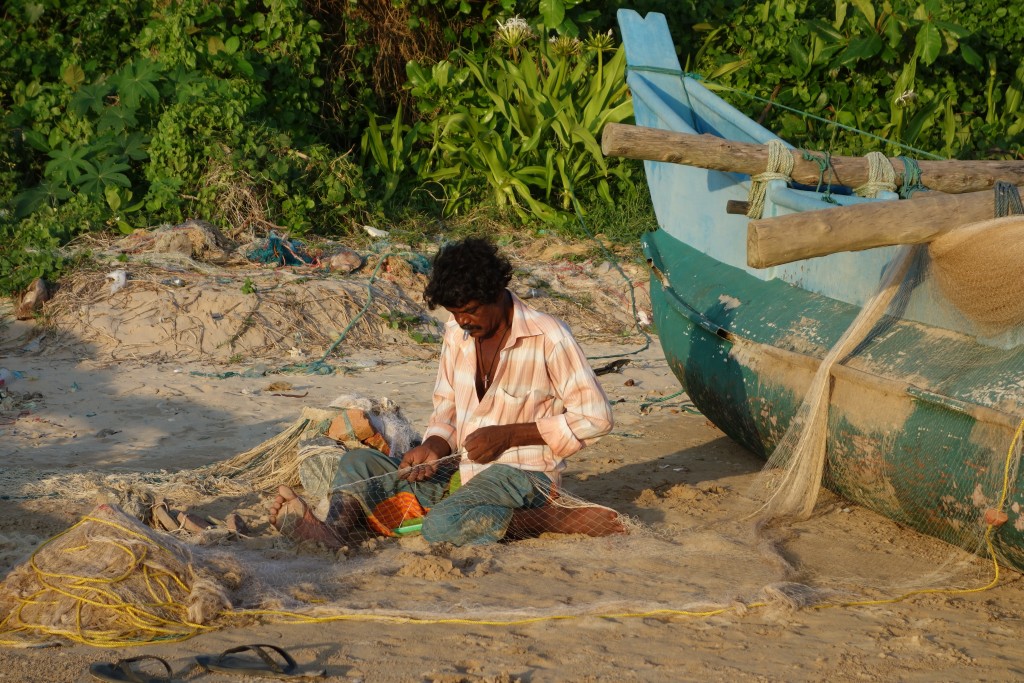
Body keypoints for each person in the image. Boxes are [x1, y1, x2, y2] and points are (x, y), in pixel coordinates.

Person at [269, 236, 624, 546]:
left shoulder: (549, 336)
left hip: (525, 477)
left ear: (497, 294)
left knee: (441, 526)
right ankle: (333, 532)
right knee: (357, 463)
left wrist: (509, 436)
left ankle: (552, 519)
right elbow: (447, 407)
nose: (463, 321)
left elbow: (596, 418)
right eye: (455, 313)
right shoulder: (457, 334)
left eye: (470, 311)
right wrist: (435, 446)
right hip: (462, 470)